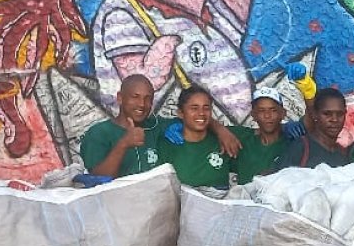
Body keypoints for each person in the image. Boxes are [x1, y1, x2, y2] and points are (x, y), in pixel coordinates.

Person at [80, 75, 240, 178]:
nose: (142, 104)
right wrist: (123, 144)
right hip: (118, 212)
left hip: (156, 212)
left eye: (148, 99)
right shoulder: (99, 133)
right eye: (135, 97)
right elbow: (98, 179)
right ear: (120, 98)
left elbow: (194, 116)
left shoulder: (157, 125)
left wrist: (221, 131)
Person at [154, 86, 235, 188]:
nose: (201, 113)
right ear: (180, 113)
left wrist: (221, 130)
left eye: (206, 108)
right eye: (194, 108)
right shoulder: (166, 146)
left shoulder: (224, 141)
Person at [276, 87, 350, 169]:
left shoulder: (344, 155)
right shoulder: (300, 148)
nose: (334, 119)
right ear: (315, 114)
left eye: (340, 114)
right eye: (327, 114)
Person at [232, 86, 291, 183]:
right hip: (244, 197)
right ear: (253, 115)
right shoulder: (243, 137)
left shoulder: (291, 143)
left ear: (283, 113)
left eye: (273, 110)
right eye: (261, 110)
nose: (267, 115)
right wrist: (221, 131)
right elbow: (206, 126)